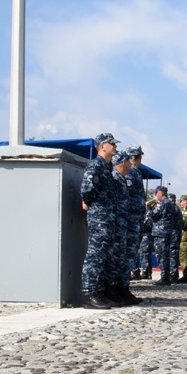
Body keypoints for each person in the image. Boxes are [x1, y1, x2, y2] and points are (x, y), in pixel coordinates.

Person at [80, 132, 120, 309]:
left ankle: (100, 292)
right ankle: (90, 294)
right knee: (95, 255)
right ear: (103, 146)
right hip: (99, 218)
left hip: (108, 218)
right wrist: (89, 203)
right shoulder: (96, 165)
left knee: (105, 256)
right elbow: (87, 189)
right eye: (112, 144)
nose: (115, 146)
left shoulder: (107, 167)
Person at [108, 151, 141, 305]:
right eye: (127, 160)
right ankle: (114, 290)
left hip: (128, 221)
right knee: (118, 257)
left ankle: (122, 288)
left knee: (126, 257)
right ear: (122, 162)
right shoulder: (116, 177)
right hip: (120, 222)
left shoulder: (124, 177)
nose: (130, 163)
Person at [123, 146, 147, 283]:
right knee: (129, 250)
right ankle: (124, 282)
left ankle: (125, 282)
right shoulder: (131, 172)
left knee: (131, 250)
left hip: (135, 217)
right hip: (131, 218)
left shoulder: (135, 172)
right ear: (139, 157)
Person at [148, 185, 180, 286]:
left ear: (160, 193)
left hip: (161, 232)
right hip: (166, 232)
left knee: (161, 255)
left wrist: (147, 209)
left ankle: (165, 277)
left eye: (156, 193)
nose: (155, 196)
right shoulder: (169, 204)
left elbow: (154, 215)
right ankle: (166, 276)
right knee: (165, 255)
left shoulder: (163, 203)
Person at [138, 199, 155, 280]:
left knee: (145, 254)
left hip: (146, 236)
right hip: (146, 236)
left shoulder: (147, 212)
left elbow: (148, 224)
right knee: (146, 255)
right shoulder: (147, 212)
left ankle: (146, 272)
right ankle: (148, 272)